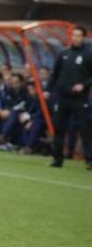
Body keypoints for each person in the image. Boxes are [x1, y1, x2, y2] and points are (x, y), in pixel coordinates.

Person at [46, 26, 92, 168]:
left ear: (83, 37)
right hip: (62, 97)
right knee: (59, 128)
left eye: (78, 35)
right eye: (74, 35)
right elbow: (55, 74)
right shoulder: (64, 54)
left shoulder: (88, 54)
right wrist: (48, 90)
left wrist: (83, 85)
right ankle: (57, 159)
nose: (75, 38)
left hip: (80, 98)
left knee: (85, 128)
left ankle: (90, 160)